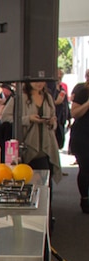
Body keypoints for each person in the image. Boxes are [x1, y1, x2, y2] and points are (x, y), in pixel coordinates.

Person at [2, 81, 62, 184]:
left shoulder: (47, 97)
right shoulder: (19, 97)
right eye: (35, 81)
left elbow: (54, 119)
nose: (39, 84)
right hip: (27, 146)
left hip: (46, 146)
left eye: (42, 81)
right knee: (28, 181)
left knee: (46, 182)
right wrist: (28, 119)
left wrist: (52, 122)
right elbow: (5, 118)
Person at [69, 75, 89, 212]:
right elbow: (74, 113)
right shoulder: (83, 91)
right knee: (85, 168)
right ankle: (85, 199)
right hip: (83, 136)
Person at [53, 68, 70, 149]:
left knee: (60, 142)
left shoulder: (62, 90)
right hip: (55, 119)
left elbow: (66, 104)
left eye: (60, 77)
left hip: (62, 120)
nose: (59, 78)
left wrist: (69, 118)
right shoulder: (51, 91)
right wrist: (56, 102)